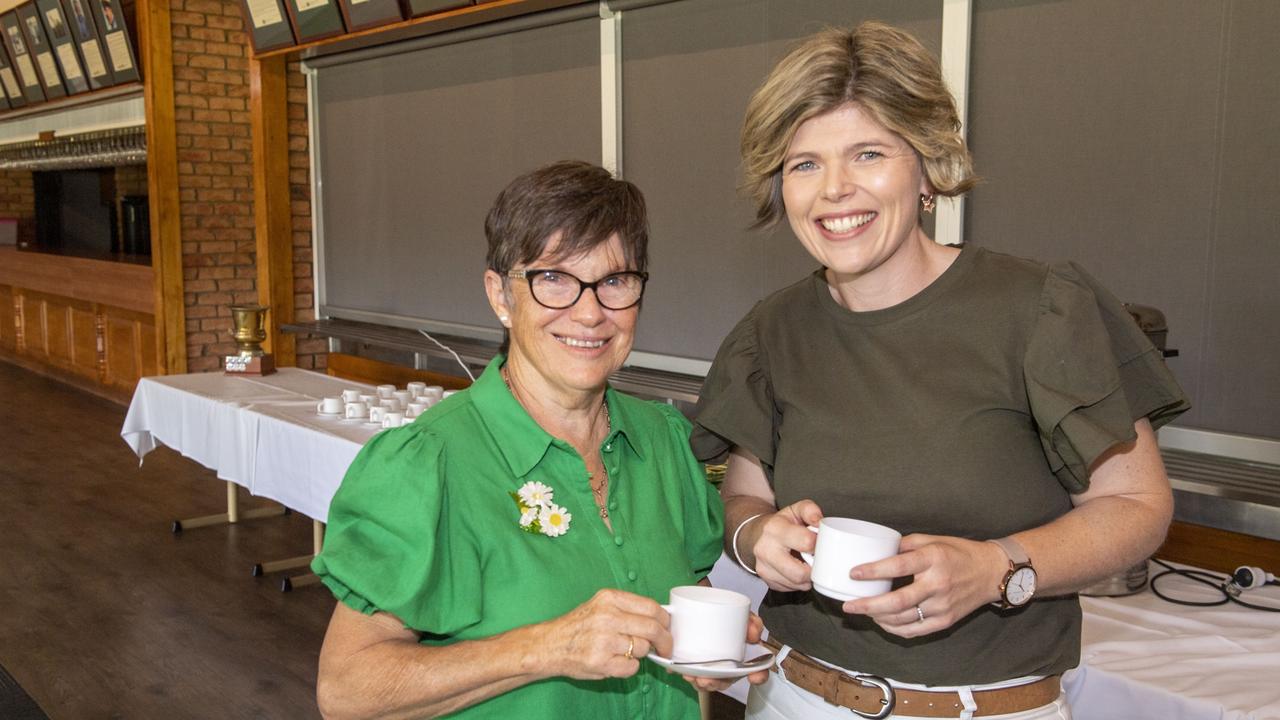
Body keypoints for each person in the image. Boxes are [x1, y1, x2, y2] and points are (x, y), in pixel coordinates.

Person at [691, 22, 1190, 720]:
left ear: (927, 167)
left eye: (867, 154)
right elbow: (745, 500)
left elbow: (1137, 507)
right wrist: (758, 539)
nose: (834, 189)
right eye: (804, 164)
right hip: (794, 698)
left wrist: (997, 570)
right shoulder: (772, 331)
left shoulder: (1039, 309)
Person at [312, 161, 730, 719]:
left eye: (614, 281)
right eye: (553, 278)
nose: (590, 312)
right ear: (501, 296)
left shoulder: (664, 442)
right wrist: (545, 648)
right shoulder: (431, 464)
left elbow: (689, 639)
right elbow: (347, 693)